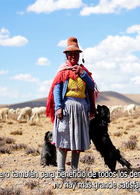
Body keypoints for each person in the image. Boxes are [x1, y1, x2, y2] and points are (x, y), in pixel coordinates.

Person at [46, 37, 98, 172]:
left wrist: (83, 74)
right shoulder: (62, 71)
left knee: (77, 141)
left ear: (79, 55)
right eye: (70, 54)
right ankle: (61, 171)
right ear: (66, 56)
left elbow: (91, 87)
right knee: (63, 140)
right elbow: (56, 89)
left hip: (81, 110)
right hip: (66, 110)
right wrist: (58, 107)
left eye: (75, 54)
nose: (73, 56)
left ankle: (74, 171)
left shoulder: (83, 70)